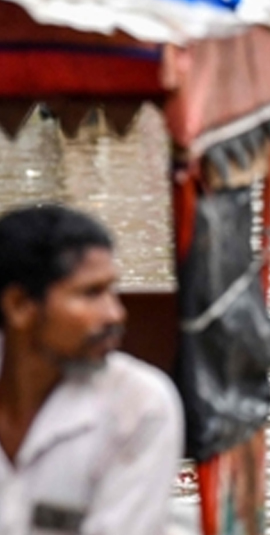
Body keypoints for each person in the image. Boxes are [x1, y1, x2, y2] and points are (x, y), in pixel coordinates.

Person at [0, 204, 184, 535]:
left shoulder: (139, 405)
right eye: (91, 294)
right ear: (19, 306)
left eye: (111, 290)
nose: (115, 314)